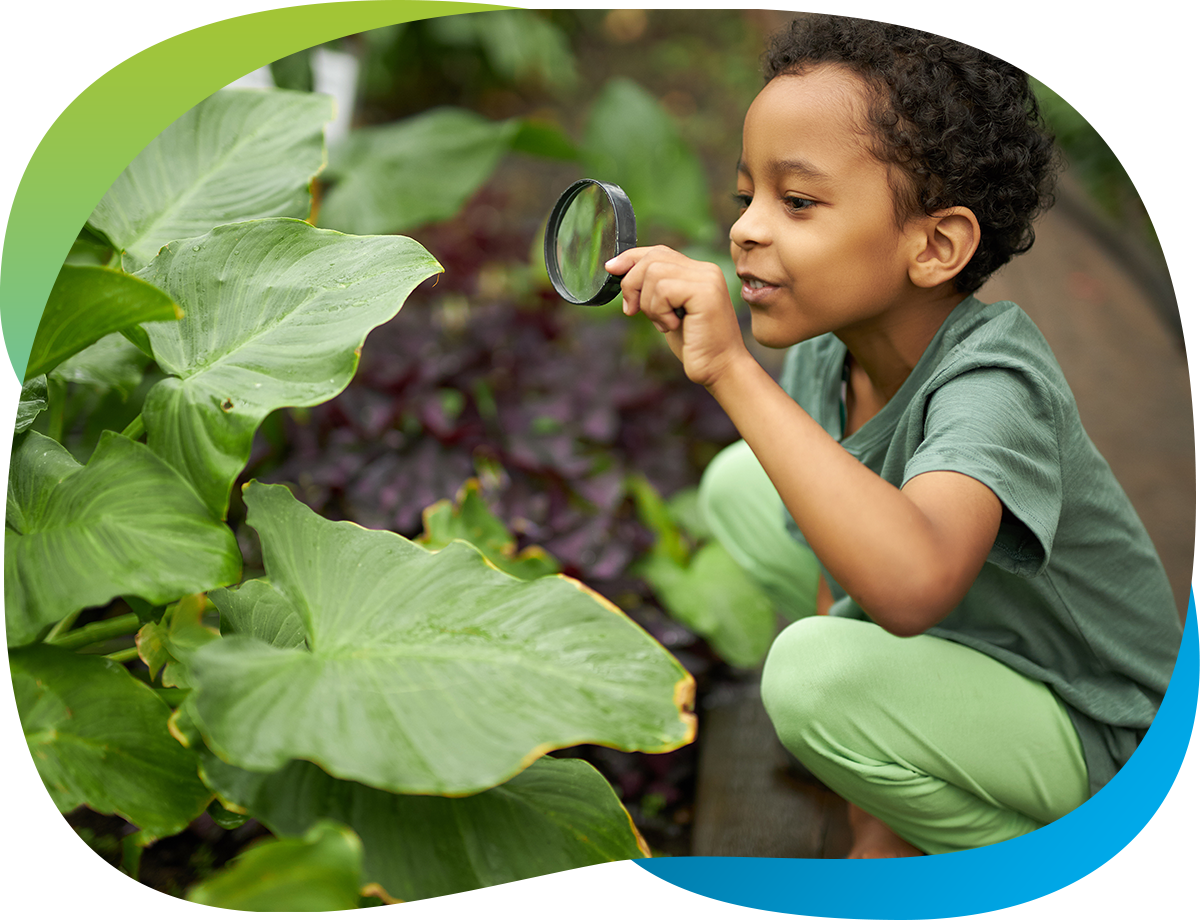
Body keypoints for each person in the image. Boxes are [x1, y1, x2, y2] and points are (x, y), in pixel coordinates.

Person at [605, 9, 1182, 858]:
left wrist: (728, 369)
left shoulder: (995, 386)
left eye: (796, 201)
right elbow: (844, 572)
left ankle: (1007, 858)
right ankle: (889, 754)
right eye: (747, 194)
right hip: (968, 644)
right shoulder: (828, 348)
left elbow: (910, 586)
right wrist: (856, 765)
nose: (746, 228)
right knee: (742, 482)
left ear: (935, 245)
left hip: (1085, 723)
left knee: (806, 675)